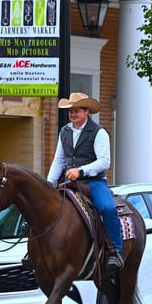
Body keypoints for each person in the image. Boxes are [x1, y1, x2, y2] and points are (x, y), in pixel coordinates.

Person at [47, 92, 123, 272]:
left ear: (86, 111)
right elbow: (59, 160)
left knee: (107, 208)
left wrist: (81, 170)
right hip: (69, 183)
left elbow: (104, 161)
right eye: (70, 111)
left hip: (93, 182)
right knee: (46, 208)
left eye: (76, 111)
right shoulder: (64, 131)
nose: (73, 114)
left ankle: (114, 251)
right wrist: (49, 183)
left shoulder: (99, 132)